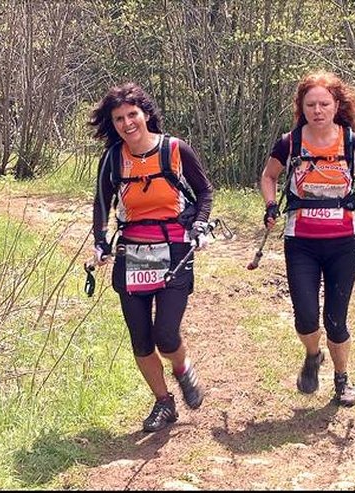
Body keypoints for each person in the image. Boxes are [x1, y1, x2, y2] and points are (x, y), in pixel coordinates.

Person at [259, 70, 355, 407]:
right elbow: (268, 176)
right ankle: (312, 354)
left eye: (324, 104)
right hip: (301, 241)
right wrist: (271, 205)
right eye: (310, 105)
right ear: (301, 107)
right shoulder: (290, 143)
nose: (317, 110)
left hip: (342, 242)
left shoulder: (352, 143)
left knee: (336, 320)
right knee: (306, 316)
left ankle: (342, 379)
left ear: (337, 105)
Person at [89, 82, 214, 432]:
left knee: (166, 335)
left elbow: (204, 191)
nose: (127, 123)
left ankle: (182, 368)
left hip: (174, 249)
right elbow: (101, 203)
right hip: (132, 252)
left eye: (132, 115)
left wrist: (200, 225)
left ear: (145, 114)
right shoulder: (112, 159)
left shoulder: (175, 149)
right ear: (113, 123)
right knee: (141, 339)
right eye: (119, 119)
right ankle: (164, 402)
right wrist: (100, 241)